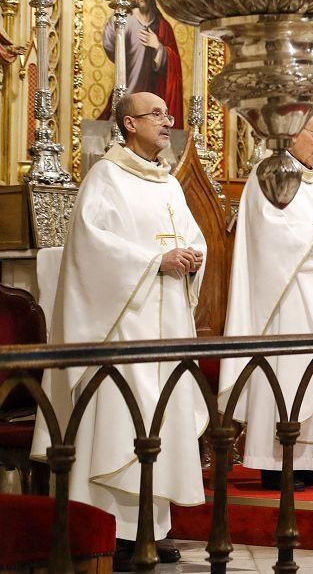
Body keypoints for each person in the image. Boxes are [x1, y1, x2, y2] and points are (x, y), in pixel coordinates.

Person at [31, 92, 206, 570]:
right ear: (129, 123)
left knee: (161, 416)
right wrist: (155, 261)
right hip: (121, 324)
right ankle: (110, 528)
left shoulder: (167, 182)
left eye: (168, 116)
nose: (167, 123)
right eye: (156, 116)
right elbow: (91, 247)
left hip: (166, 320)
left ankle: (153, 524)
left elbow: (191, 235)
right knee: (122, 417)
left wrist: (192, 257)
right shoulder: (106, 177)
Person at [219, 108, 313, 491]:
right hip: (287, 297)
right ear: (294, 133)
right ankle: (275, 464)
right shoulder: (270, 173)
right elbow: (269, 235)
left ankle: (312, 462)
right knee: (289, 371)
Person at [101, 0, 183, 127]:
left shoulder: (163, 27)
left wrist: (158, 47)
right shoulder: (125, 19)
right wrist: (115, 25)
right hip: (128, 88)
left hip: (152, 100)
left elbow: (174, 66)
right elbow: (110, 46)